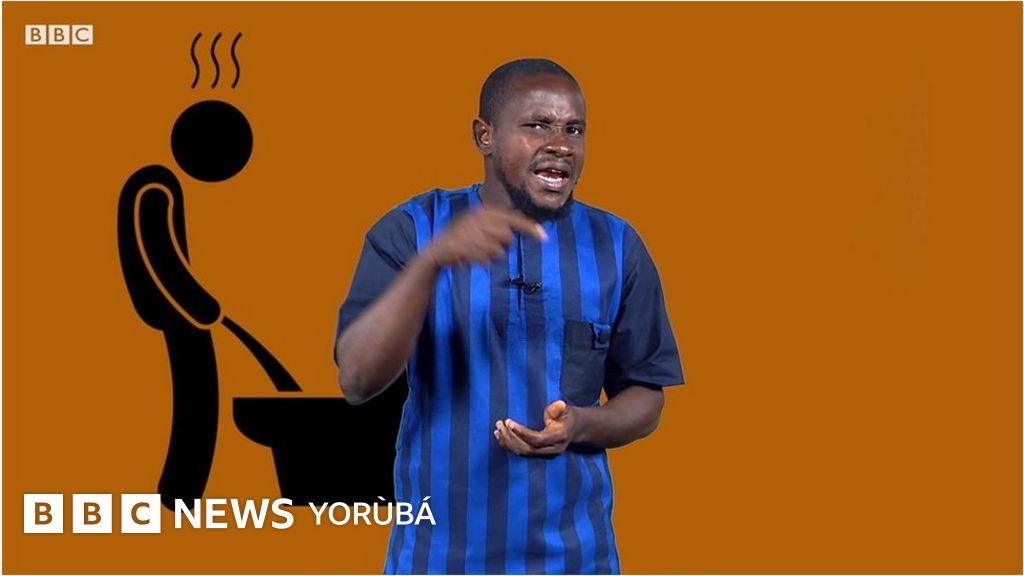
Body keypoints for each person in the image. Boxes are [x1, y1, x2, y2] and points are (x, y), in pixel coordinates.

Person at [334, 58, 684, 575]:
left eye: (574, 129)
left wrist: (581, 425)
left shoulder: (618, 246)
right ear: (485, 136)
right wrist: (431, 265)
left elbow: (647, 396)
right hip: (438, 560)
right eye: (538, 125)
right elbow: (357, 380)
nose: (560, 144)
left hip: (577, 560)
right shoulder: (412, 230)